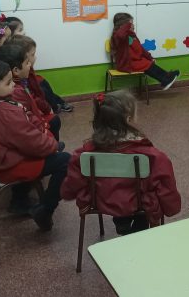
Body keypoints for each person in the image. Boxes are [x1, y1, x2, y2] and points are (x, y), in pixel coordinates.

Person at [0, 58, 70, 231]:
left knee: (45, 150)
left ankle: (19, 199)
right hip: (8, 167)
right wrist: (52, 145)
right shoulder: (6, 113)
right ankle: (45, 210)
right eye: (8, 83)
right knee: (66, 161)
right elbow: (33, 143)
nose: (13, 85)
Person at [61, 90, 181, 235]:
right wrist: (172, 207)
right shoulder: (150, 155)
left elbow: (73, 182)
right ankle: (138, 231)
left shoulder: (84, 154)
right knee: (143, 196)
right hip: (137, 202)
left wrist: (67, 193)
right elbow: (165, 184)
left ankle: (121, 222)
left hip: (102, 200)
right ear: (128, 119)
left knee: (115, 189)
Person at [0, 41, 62, 142]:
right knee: (54, 121)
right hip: (33, 134)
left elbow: (32, 100)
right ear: (16, 70)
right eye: (27, 63)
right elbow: (29, 119)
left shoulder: (20, 82)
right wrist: (45, 130)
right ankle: (54, 147)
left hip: (34, 125)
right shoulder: (17, 91)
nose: (30, 65)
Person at [111, 12, 179, 90]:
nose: (133, 25)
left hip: (134, 61)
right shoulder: (118, 37)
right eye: (130, 24)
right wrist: (128, 24)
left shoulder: (132, 35)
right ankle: (165, 79)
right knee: (147, 64)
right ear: (123, 26)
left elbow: (141, 49)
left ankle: (166, 76)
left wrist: (150, 57)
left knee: (148, 62)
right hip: (126, 64)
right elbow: (120, 34)